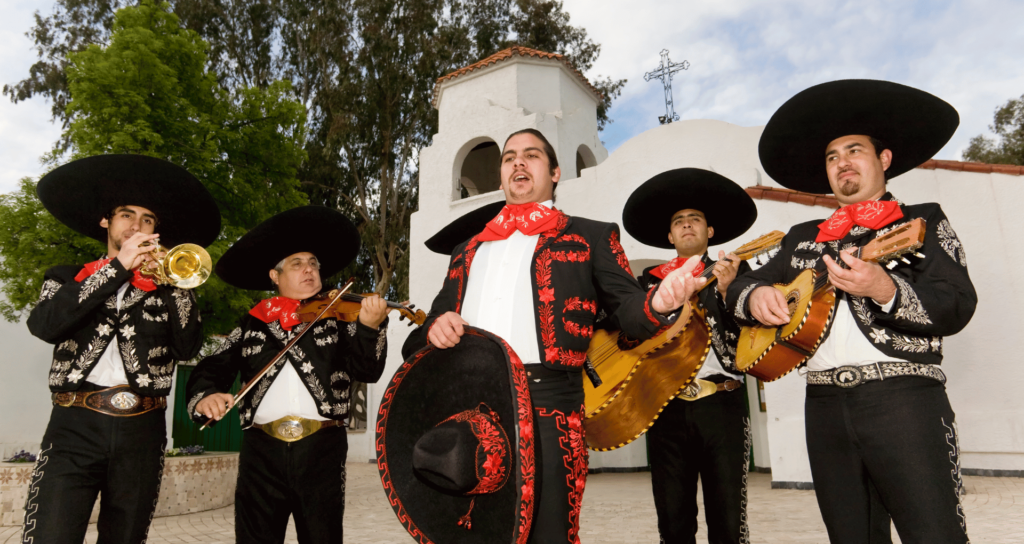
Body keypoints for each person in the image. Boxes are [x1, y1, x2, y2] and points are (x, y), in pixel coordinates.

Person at [403, 128, 703, 543]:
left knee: (550, 535)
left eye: (531, 155)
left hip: (548, 409)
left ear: (556, 172)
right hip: (471, 411)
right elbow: (418, 339)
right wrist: (434, 328)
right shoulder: (467, 249)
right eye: (509, 158)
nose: (518, 163)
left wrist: (658, 303)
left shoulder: (591, 236)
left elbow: (628, 312)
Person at [728, 79, 976, 544]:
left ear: (883, 160)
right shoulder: (802, 236)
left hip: (903, 398)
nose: (842, 162)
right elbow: (742, 281)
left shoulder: (921, 220)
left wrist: (887, 289)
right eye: (832, 156)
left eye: (854, 150)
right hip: (822, 405)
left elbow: (957, 303)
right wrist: (752, 298)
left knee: (934, 533)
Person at [24, 154, 221, 543]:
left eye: (147, 220)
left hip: (142, 431)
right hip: (74, 427)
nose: (136, 225)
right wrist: (118, 269)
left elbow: (188, 347)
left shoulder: (169, 288)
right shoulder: (66, 277)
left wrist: (176, 288)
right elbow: (45, 325)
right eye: (126, 215)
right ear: (106, 222)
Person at [186, 205, 393, 544]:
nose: (309, 270)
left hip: (322, 448)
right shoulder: (254, 321)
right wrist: (207, 393)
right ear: (274, 275)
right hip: (260, 449)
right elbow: (213, 365)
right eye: (297, 264)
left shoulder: (339, 316)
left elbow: (366, 371)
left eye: (314, 263)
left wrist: (369, 328)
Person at [622, 168, 757, 544]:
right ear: (669, 235)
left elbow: (753, 332)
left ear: (710, 232)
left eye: (694, 219)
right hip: (665, 407)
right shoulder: (646, 284)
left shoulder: (736, 271)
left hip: (723, 403)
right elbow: (627, 333)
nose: (686, 225)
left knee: (729, 520)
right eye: (678, 221)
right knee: (673, 520)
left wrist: (729, 291)